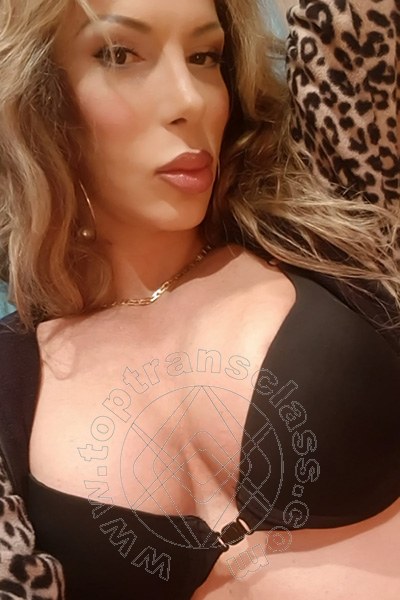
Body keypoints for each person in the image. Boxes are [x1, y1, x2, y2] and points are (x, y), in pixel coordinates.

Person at [0, 1, 399, 599]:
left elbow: (354, 25)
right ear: (38, 96)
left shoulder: (327, 230)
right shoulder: (10, 383)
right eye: (120, 54)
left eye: (204, 56)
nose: (189, 98)